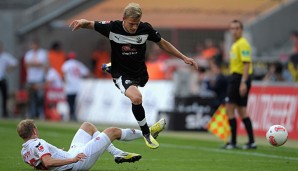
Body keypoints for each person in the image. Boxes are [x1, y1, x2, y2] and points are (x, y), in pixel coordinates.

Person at [69, 2, 198, 149]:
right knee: (136, 98)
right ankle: (147, 134)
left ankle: (110, 66)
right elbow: (91, 24)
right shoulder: (112, 27)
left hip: (140, 73)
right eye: (131, 24)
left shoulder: (145, 29)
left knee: (139, 87)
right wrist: (81, 22)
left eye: (136, 24)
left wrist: (183, 58)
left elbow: (162, 43)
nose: (134, 27)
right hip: (122, 74)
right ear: (123, 18)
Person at [17, 118, 166, 170]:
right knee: (112, 131)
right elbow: (48, 162)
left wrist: (57, 152)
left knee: (87, 126)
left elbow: (42, 164)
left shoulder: (24, 152)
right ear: (34, 130)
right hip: (76, 162)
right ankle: (148, 132)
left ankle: (117, 153)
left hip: (70, 156)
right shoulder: (38, 143)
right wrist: (72, 160)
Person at [223, 20, 256, 150]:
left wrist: (243, 82)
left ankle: (234, 141)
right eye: (232, 28)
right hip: (237, 77)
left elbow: (246, 63)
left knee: (230, 107)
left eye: (237, 28)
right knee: (241, 110)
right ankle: (251, 141)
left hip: (239, 78)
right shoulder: (236, 44)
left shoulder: (243, 44)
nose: (234, 31)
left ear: (241, 30)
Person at [62, 52, 90, 121]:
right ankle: (73, 115)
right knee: (74, 102)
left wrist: (65, 82)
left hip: (69, 86)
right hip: (77, 85)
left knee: (70, 102)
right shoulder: (78, 64)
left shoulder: (66, 64)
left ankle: (72, 115)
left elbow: (64, 74)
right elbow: (86, 73)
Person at [24, 39, 48, 119]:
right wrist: (36, 64)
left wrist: (34, 64)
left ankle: (39, 113)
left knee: (40, 97)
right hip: (31, 78)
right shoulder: (29, 54)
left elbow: (42, 63)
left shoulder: (43, 53)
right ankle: (32, 113)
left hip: (39, 78)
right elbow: (27, 64)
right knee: (31, 97)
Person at [0, 41, 18, 118]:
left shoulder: (5, 56)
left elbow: (15, 62)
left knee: (5, 97)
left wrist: (9, 69)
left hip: (2, 78)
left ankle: (4, 112)